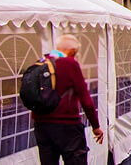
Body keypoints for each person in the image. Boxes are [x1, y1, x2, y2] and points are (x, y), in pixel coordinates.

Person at [32, 35, 103, 165]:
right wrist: (96, 126)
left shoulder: (40, 62)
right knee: (76, 160)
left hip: (42, 125)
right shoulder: (70, 64)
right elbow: (85, 100)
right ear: (72, 51)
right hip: (67, 126)